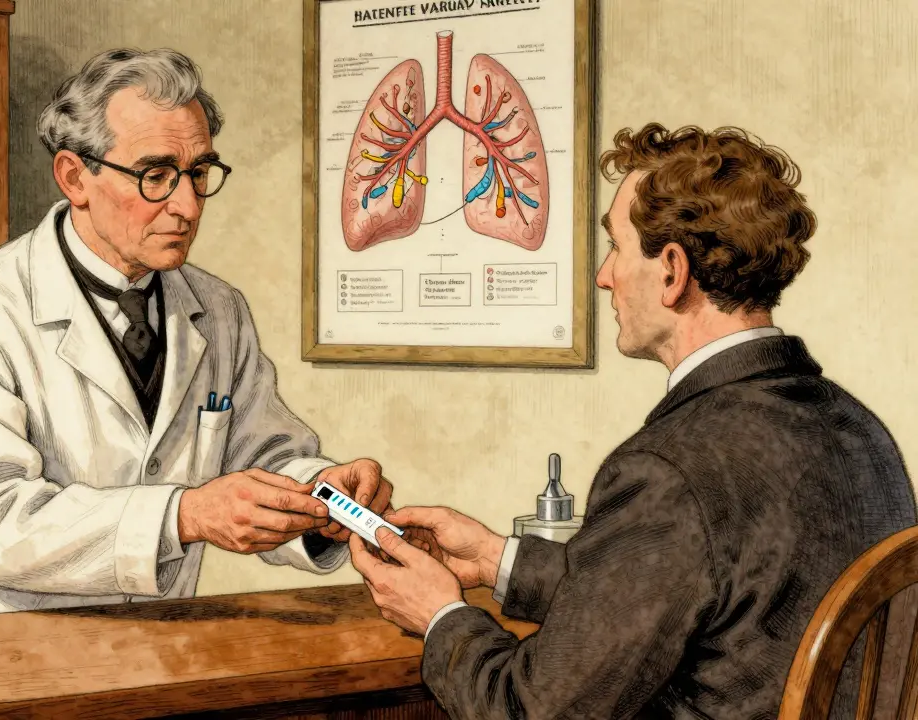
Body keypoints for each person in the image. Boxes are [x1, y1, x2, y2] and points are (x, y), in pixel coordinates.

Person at [350, 123, 917, 718]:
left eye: (617, 247)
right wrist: (499, 560)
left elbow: (532, 712)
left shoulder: (668, 469)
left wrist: (440, 616)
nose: (603, 276)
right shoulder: (859, 430)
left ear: (672, 271)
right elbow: (702, 596)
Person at [0, 47, 392, 620]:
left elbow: (261, 454)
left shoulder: (217, 308)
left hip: (149, 639)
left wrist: (322, 494)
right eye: (156, 175)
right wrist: (186, 515)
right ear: (75, 176)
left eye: (199, 174)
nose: (186, 205)